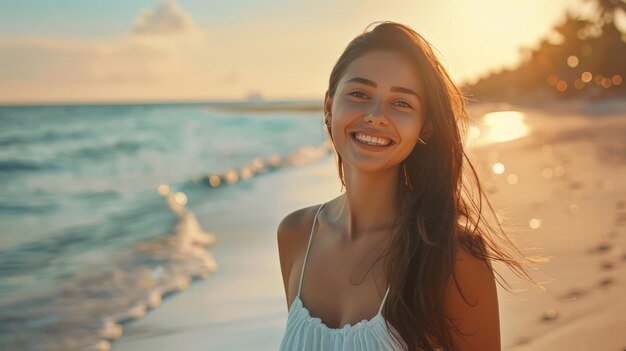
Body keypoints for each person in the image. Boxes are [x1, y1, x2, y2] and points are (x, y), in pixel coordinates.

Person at [277, 21, 542, 351]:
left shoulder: (453, 257)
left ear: (425, 126)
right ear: (329, 108)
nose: (376, 116)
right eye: (359, 94)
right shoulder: (296, 234)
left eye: (401, 103)